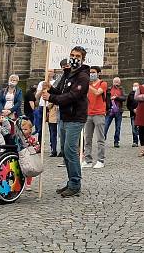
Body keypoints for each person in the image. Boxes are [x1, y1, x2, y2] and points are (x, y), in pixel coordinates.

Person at [42, 46, 90, 197]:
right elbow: (62, 92)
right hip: (64, 116)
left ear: (83, 59)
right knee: (64, 150)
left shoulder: (83, 77)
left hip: (76, 118)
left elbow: (73, 96)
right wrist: (50, 89)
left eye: (77, 56)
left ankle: (75, 184)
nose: (74, 58)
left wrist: (52, 98)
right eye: (72, 55)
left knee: (70, 150)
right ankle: (71, 182)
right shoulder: (67, 74)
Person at [83, 66, 107, 168]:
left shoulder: (103, 84)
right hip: (88, 113)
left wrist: (88, 86)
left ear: (98, 73)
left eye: (93, 72)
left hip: (99, 113)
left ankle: (100, 160)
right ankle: (88, 160)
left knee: (100, 138)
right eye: (90, 72)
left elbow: (98, 93)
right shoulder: (88, 85)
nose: (91, 74)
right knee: (87, 138)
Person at [104, 76, 126, 148]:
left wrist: (117, 97)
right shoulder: (109, 89)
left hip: (118, 111)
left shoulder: (121, 89)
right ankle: (102, 139)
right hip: (110, 111)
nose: (116, 83)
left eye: (117, 82)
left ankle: (116, 142)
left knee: (118, 127)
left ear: (120, 82)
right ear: (113, 82)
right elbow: (105, 99)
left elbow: (124, 98)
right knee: (105, 126)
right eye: (115, 81)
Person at [127, 81, 140, 147]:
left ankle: (143, 141)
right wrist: (133, 109)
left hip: (140, 114)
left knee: (141, 129)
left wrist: (139, 109)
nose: (135, 87)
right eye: (134, 85)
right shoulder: (130, 94)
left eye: (136, 85)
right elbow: (128, 105)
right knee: (134, 129)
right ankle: (135, 141)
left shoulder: (141, 93)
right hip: (133, 114)